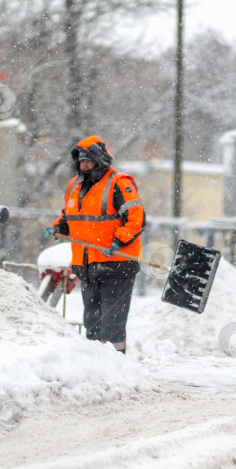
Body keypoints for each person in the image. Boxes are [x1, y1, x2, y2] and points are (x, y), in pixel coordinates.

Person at [43, 135, 145, 354]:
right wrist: (58, 227)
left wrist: (119, 240)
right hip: (87, 265)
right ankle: (95, 367)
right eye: (81, 161)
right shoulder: (75, 185)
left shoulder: (119, 182)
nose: (84, 165)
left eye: (89, 161)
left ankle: (116, 365)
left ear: (101, 160)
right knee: (92, 323)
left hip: (116, 264)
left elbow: (136, 219)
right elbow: (70, 215)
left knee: (111, 324)